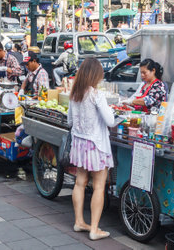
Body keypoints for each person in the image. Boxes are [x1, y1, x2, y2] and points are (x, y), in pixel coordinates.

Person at [68, 57, 115, 241]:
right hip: (96, 144)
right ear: (95, 75)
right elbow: (110, 121)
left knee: (80, 182)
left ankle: (79, 221)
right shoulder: (96, 95)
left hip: (79, 143)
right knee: (98, 187)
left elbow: (70, 121)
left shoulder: (75, 94)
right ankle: (94, 229)